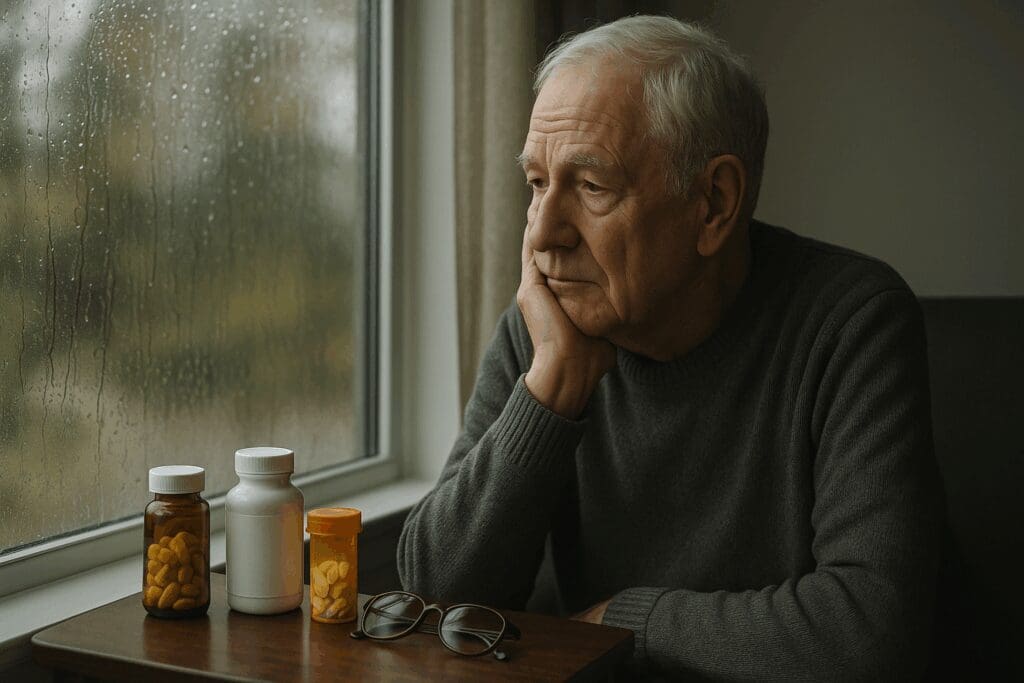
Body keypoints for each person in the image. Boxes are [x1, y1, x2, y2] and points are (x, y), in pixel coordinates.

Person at [398, 15, 943, 681]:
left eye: (591, 185)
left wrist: (626, 621)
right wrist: (552, 390)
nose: (542, 235)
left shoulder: (851, 322)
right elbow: (434, 594)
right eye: (537, 183)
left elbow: (871, 631)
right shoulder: (548, 329)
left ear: (713, 203)